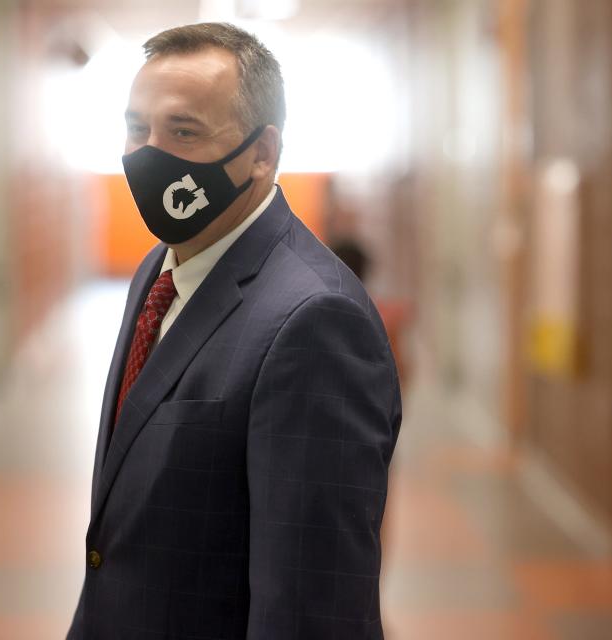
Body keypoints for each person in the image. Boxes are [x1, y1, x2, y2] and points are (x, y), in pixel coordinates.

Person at [67, 22, 402, 639]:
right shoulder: (160, 267)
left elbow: (311, 608)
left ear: (262, 153)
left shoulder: (315, 323)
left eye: (184, 131)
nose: (148, 154)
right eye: (137, 128)